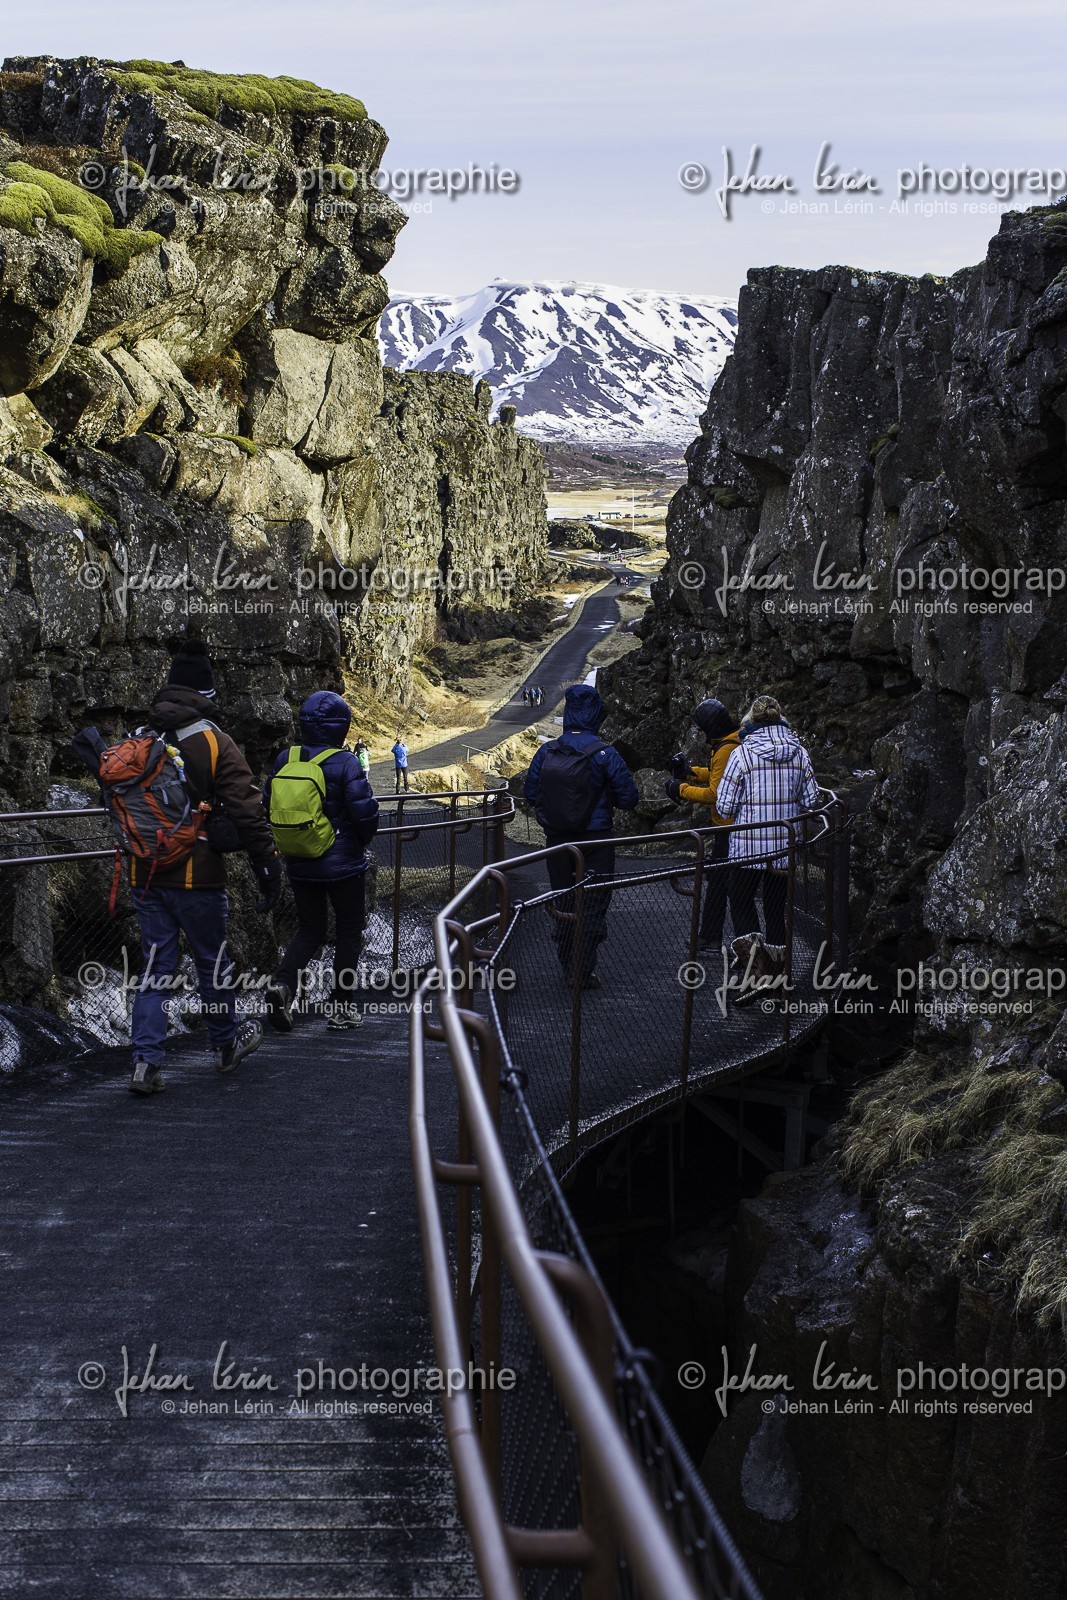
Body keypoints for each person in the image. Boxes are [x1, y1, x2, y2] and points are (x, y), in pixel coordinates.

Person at [87, 640, 281, 1096]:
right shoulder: (214, 741)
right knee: (212, 963)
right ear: (207, 693)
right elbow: (248, 809)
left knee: (156, 967)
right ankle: (226, 1043)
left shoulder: (140, 738)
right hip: (198, 876)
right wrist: (267, 864)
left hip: (145, 873)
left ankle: (145, 1064)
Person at [264, 692, 379, 1032]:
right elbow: (364, 815)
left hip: (299, 860)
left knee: (309, 930)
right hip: (343, 865)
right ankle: (341, 1008)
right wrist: (359, 841)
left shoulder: (287, 757)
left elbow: (269, 802)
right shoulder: (346, 763)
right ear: (341, 727)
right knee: (348, 934)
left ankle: (283, 986)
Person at [523, 683, 639, 989]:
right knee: (594, 902)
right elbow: (629, 798)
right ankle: (583, 970)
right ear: (596, 715)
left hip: (558, 841)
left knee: (563, 901)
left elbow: (530, 792)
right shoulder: (605, 753)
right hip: (597, 840)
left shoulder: (547, 751)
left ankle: (566, 965)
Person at [714, 694, 819, 977]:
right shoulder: (799, 752)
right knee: (776, 909)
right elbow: (811, 800)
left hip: (749, 847)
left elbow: (724, 806)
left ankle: (755, 969)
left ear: (752, 720)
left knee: (741, 900)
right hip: (784, 848)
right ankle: (777, 972)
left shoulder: (742, 754)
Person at [664, 698, 740, 952]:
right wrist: (690, 772)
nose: (701, 733)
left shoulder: (727, 749)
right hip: (732, 828)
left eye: (702, 728)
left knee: (723, 886)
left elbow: (713, 794)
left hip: (728, 829)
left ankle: (712, 937)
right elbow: (717, 773)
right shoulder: (731, 742)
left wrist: (681, 788)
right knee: (723, 885)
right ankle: (712, 936)